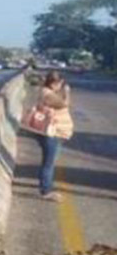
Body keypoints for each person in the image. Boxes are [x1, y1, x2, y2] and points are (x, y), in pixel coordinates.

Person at [35, 71, 74, 201]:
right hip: (50, 133)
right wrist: (67, 92)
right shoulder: (48, 94)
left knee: (49, 161)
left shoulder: (46, 91)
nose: (61, 86)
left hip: (53, 132)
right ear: (54, 83)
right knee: (48, 163)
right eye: (60, 84)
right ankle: (46, 190)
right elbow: (64, 104)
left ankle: (45, 185)